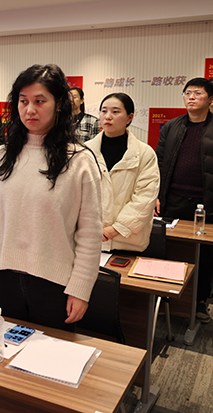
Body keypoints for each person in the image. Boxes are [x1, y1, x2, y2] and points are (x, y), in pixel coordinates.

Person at [0, 64, 102, 331]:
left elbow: (90, 233)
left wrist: (81, 288)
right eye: (23, 101)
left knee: (50, 354)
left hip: (54, 284)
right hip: (3, 277)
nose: (29, 109)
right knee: (4, 351)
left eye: (39, 101)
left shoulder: (79, 159)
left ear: (59, 104)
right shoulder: (3, 155)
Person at [156, 77, 213, 322]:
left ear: (210, 99)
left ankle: (199, 301)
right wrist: (157, 195)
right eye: (188, 92)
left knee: (205, 256)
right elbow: (159, 162)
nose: (191, 97)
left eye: (198, 93)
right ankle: (168, 299)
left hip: (206, 204)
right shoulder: (172, 126)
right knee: (171, 250)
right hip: (174, 200)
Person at [86, 93, 158, 253]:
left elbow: (145, 197)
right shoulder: (85, 151)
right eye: (104, 111)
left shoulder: (145, 153)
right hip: (90, 239)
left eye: (115, 112)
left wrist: (115, 229)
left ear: (129, 118)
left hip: (128, 242)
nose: (108, 116)